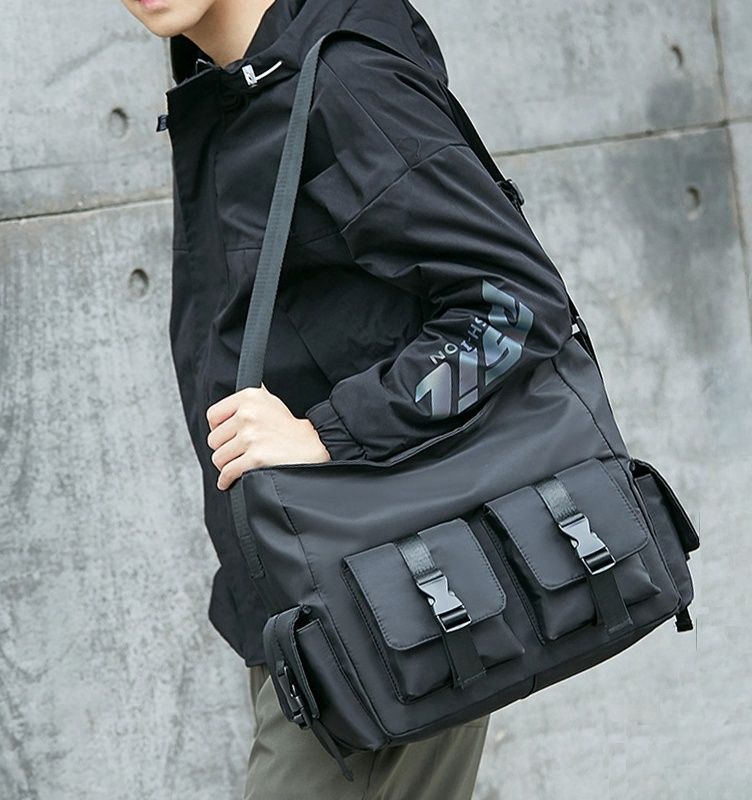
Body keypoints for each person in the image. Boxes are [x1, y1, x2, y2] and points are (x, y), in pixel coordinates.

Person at [121, 0, 572, 797]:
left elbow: (517, 306)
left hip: (402, 597)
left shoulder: (344, 79)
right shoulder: (234, 88)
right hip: (321, 601)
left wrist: (331, 432)